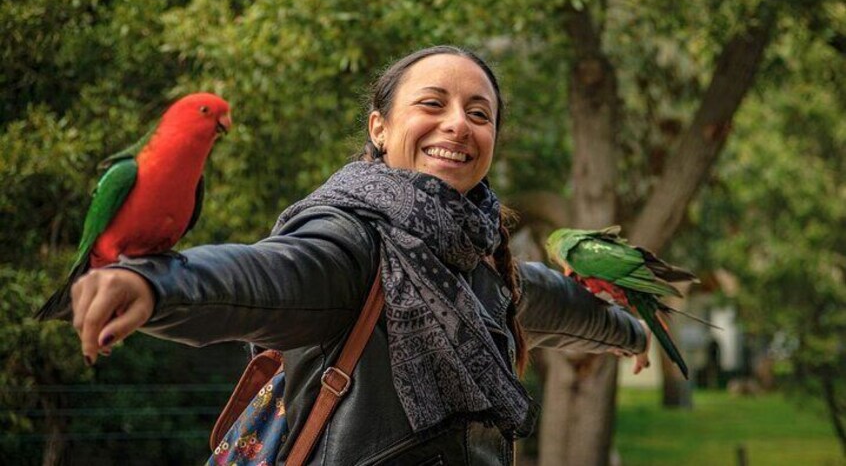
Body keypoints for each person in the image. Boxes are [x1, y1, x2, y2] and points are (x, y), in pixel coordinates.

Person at [67, 46, 649, 465]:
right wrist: (155, 287)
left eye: (479, 113)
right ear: (379, 127)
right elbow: (269, 277)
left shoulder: (484, 260)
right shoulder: (349, 238)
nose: (457, 125)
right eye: (432, 103)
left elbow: (557, 304)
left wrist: (633, 332)